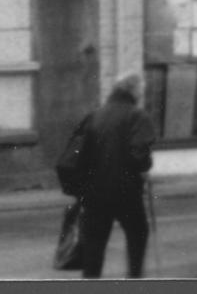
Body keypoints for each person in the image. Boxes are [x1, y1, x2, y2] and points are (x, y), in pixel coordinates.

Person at [73, 69, 158, 278]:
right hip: (126, 192)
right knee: (138, 234)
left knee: (94, 249)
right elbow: (140, 156)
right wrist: (145, 168)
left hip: (94, 194)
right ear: (134, 90)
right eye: (141, 89)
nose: (142, 93)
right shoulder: (137, 116)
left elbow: (79, 155)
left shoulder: (95, 115)